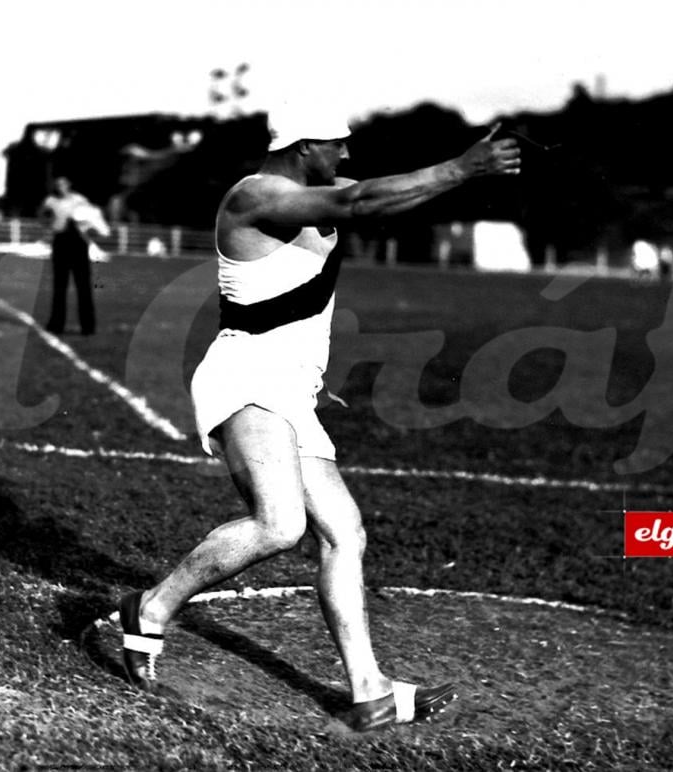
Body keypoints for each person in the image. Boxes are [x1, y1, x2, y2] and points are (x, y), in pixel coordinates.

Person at [119, 105, 520, 732]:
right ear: (304, 147)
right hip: (247, 378)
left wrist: (461, 165)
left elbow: (380, 197)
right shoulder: (259, 197)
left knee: (343, 531)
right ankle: (149, 608)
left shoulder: (309, 190)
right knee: (280, 525)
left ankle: (370, 693)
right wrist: (462, 168)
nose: (347, 157)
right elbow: (361, 202)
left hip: (288, 385)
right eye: (338, 146)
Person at [39, 177, 107, 335]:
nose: (59, 187)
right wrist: (47, 220)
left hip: (78, 241)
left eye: (62, 184)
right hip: (60, 240)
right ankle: (56, 324)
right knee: (59, 286)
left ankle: (88, 327)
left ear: (68, 185)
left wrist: (89, 228)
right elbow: (41, 217)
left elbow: (93, 217)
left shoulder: (79, 200)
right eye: (57, 184)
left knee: (83, 285)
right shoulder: (50, 201)